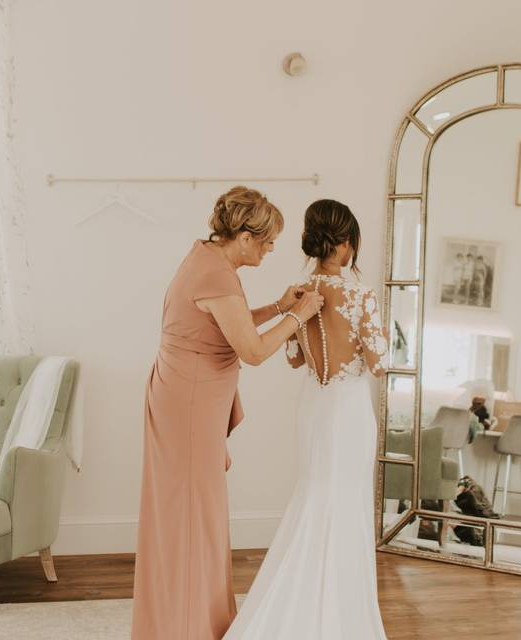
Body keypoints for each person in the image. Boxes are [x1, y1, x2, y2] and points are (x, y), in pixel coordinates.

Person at [131, 186, 324, 640]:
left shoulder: (207, 260)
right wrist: (299, 317)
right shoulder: (215, 273)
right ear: (243, 236)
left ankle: (185, 619)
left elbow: (225, 321)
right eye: (267, 240)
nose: (272, 248)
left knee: (191, 515)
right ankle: (188, 627)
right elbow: (253, 351)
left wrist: (279, 306)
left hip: (185, 396)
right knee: (194, 517)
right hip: (191, 403)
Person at [224, 199, 389, 640]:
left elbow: (296, 359)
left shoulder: (300, 293)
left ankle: (298, 604)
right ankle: (338, 614)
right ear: (347, 243)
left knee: (315, 496)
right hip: (349, 410)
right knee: (344, 503)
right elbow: (379, 362)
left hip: (314, 407)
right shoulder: (360, 295)